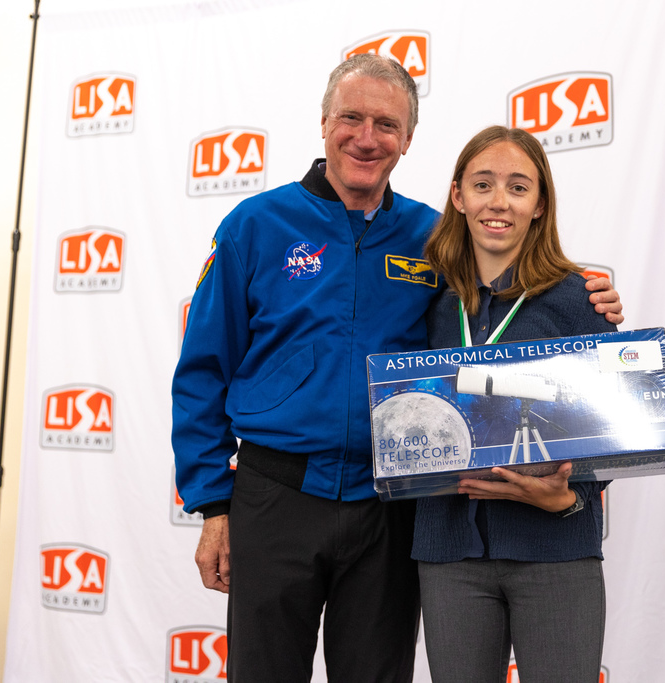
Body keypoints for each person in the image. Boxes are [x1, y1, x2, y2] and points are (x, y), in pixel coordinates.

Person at [171, 56, 624, 682]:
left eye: (386, 124)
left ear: (407, 140)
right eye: (351, 118)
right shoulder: (255, 226)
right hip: (276, 497)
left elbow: (512, 282)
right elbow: (201, 373)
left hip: (390, 505)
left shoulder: (433, 236)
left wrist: (589, 294)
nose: (366, 137)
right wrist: (212, 506)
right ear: (324, 123)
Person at [413, 126, 614, 683]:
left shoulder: (578, 298)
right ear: (458, 197)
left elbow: (610, 432)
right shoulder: (431, 304)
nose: (498, 201)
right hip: (450, 551)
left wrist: (568, 497)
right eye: (483, 185)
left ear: (539, 204)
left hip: (555, 549)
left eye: (518, 187)